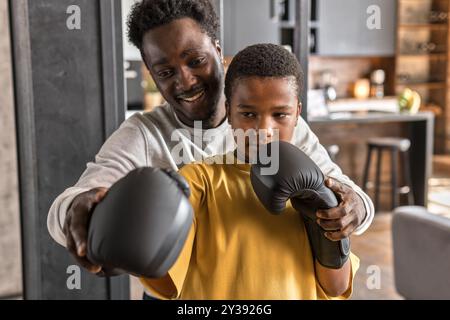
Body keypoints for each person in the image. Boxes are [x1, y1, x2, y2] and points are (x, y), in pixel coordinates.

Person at [47, 0, 373, 276]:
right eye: (166, 71)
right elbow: (69, 204)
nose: (186, 81)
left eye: (195, 60)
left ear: (217, 50)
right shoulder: (145, 135)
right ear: (152, 74)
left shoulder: (279, 128)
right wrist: (77, 209)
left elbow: (353, 199)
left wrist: (353, 208)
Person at [140, 43, 359, 299]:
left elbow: (337, 287)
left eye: (280, 114)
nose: (263, 129)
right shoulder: (199, 180)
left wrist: (324, 227)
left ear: (297, 113)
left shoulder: (314, 184)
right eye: (248, 114)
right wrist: (144, 237)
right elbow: (164, 286)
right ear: (229, 113)